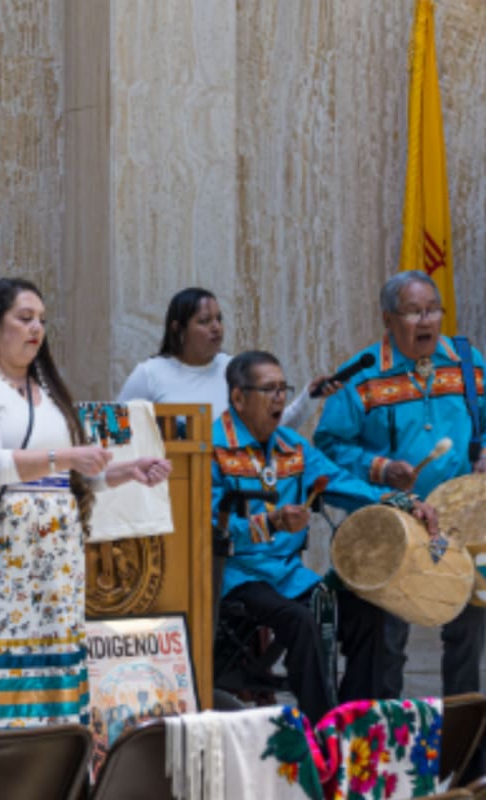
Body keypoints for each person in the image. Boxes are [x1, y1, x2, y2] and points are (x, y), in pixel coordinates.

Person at [0, 277, 171, 739]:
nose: (36, 329)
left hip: (52, 559)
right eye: (24, 318)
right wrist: (67, 458)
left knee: (51, 661)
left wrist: (125, 472)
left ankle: (47, 771)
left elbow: (64, 480)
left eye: (42, 321)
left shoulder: (47, 389)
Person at [212, 350, 438, 722]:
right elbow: (208, 524)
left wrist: (402, 501)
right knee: (302, 619)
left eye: (283, 389)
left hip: (287, 574)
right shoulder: (212, 448)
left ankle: (352, 721)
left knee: (367, 612)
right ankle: (321, 732)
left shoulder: (291, 447)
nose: (280, 398)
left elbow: (342, 482)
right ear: (238, 397)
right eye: (268, 390)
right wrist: (269, 523)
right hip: (236, 574)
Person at [314, 271, 486, 697]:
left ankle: (462, 749)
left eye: (432, 309)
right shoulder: (364, 376)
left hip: (459, 522)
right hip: (394, 523)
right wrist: (380, 468)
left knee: (467, 633)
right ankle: (386, 744)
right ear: (388, 319)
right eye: (412, 311)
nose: (425, 320)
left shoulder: (469, 364)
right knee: (386, 644)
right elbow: (328, 447)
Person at [118, 287, 334, 428]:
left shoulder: (235, 369)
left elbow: (268, 427)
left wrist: (309, 397)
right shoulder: (149, 373)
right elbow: (112, 430)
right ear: (178, 328)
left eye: (219, 319)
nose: (216, 328)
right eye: (204, 321)